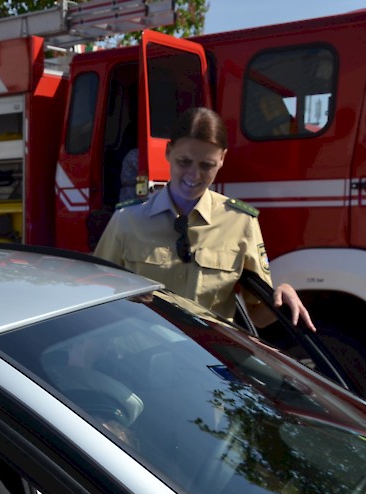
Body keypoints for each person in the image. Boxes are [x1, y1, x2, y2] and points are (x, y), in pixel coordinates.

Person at [94, 107, 314, 331]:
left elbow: (258, 315)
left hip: (208, 359)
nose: (194, 175)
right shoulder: (126, 220)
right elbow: (97, 295)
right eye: (184, 162)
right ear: (169, 151)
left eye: (206, 165)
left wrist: (281, 296)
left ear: (222, 159)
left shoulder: (240, 223)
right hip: (139, 357)